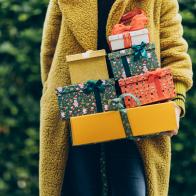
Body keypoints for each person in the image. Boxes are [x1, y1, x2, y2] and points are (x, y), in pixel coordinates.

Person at [39, 0, 193, 195]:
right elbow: (50, 55)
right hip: (77, 116)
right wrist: (56, 98)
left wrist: (176, 103)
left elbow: (175, 53)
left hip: (138, 118)